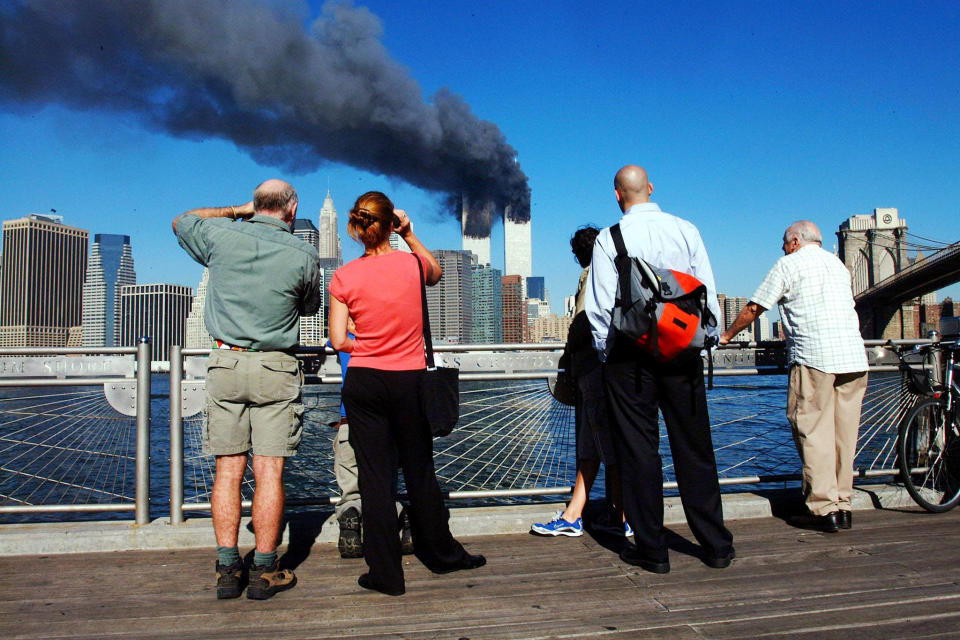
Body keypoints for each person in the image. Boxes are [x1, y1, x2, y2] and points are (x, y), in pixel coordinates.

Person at [328, 191, 485, 596]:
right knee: (419, 473)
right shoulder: (412, 264)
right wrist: (410, 233)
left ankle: (385, 574)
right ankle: (442, 556)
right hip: (409, 381)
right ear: (388, 224)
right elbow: (436, 273)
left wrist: (364, 345)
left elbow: (336, 338)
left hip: (364, 381)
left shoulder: (344, 276)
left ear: (358, 227)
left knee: (374, 480)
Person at [173, 179, 322, 600]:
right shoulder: (304, 253)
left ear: (256, 206)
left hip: (227, 363)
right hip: (277, 365)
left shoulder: (222, 235)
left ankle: (226, 569)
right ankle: (264, 570)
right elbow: (310, 306)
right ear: (291, 210)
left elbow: (181, 220)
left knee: (228, 470)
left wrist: (237, 211)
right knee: (269, 470)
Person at [584, 165, 734, 574]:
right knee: (695, 447)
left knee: (639, 452)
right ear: (650, 188)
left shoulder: (609, 238)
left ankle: (653, 549)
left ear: (617, 195)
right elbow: (706, 288)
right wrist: (706, 338)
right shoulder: (686, 230)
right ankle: (716, 544)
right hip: (683, 351)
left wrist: (607, 355)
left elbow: (599, 308)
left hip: (630, 358)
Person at [720, 221, 868, 532]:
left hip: (815, 357)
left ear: (796, 241)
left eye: (784, 243)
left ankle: (822, 510)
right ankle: (843, 505)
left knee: (813, 432)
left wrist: (728, 334)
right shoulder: (838, 265)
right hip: (854, 358)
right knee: (844, 435)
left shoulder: (789, 264)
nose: (782, 248)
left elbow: (755, 307)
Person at [532, 226, 627, 538]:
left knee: (603, 442)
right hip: (612, 368)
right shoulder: (616, 271)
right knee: (595, 442)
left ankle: (623, 516)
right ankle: (581, 514)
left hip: (594, 368)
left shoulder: (593, 274)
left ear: (580, 253)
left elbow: (586, 320)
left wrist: (571, 349)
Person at [327, 317, 412, 559]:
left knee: (350, 485)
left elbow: (332, 341)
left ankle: (351, 516)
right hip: (387, 420)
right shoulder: (391, 330)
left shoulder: (344, 334)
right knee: (384, 485)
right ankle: (400, 516)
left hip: (350, 419)